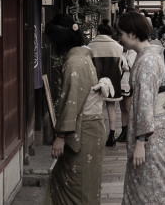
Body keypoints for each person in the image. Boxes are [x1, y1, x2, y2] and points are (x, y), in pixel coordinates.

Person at [45, 16, 109, 205]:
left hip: (83, 131)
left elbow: (72, 102)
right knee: (84, 183)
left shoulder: (75, 63)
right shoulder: (82, 57)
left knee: (76, 186)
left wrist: (61, 136)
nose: (49, 45)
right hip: (91, 129)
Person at [118, 11, 165, 205]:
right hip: (157, 125)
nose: (119, 38)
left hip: (151, 131)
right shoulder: (149, 55)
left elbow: (145, 101)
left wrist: (141, 141)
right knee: (150, 180)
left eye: (121, 33)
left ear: (132, 34)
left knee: (151, 182)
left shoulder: (147, 61)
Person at [88, 19, 124, 147]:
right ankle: (111, 134)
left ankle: (96, 135)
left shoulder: (90, 46)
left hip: (95, 80)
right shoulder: (117, 47)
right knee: (111, 107)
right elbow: (122, 65)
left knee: (96, 108)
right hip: (113, 81)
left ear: (98, 32)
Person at [117, 43, 137, 143]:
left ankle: (131, 132)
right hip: (120, 83)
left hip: (128, 83)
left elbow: (128, 66)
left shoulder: (133, 52)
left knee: (128, 108)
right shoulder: (119, 51)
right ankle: (124, 131)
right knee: (122, 108)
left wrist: (122, 61)